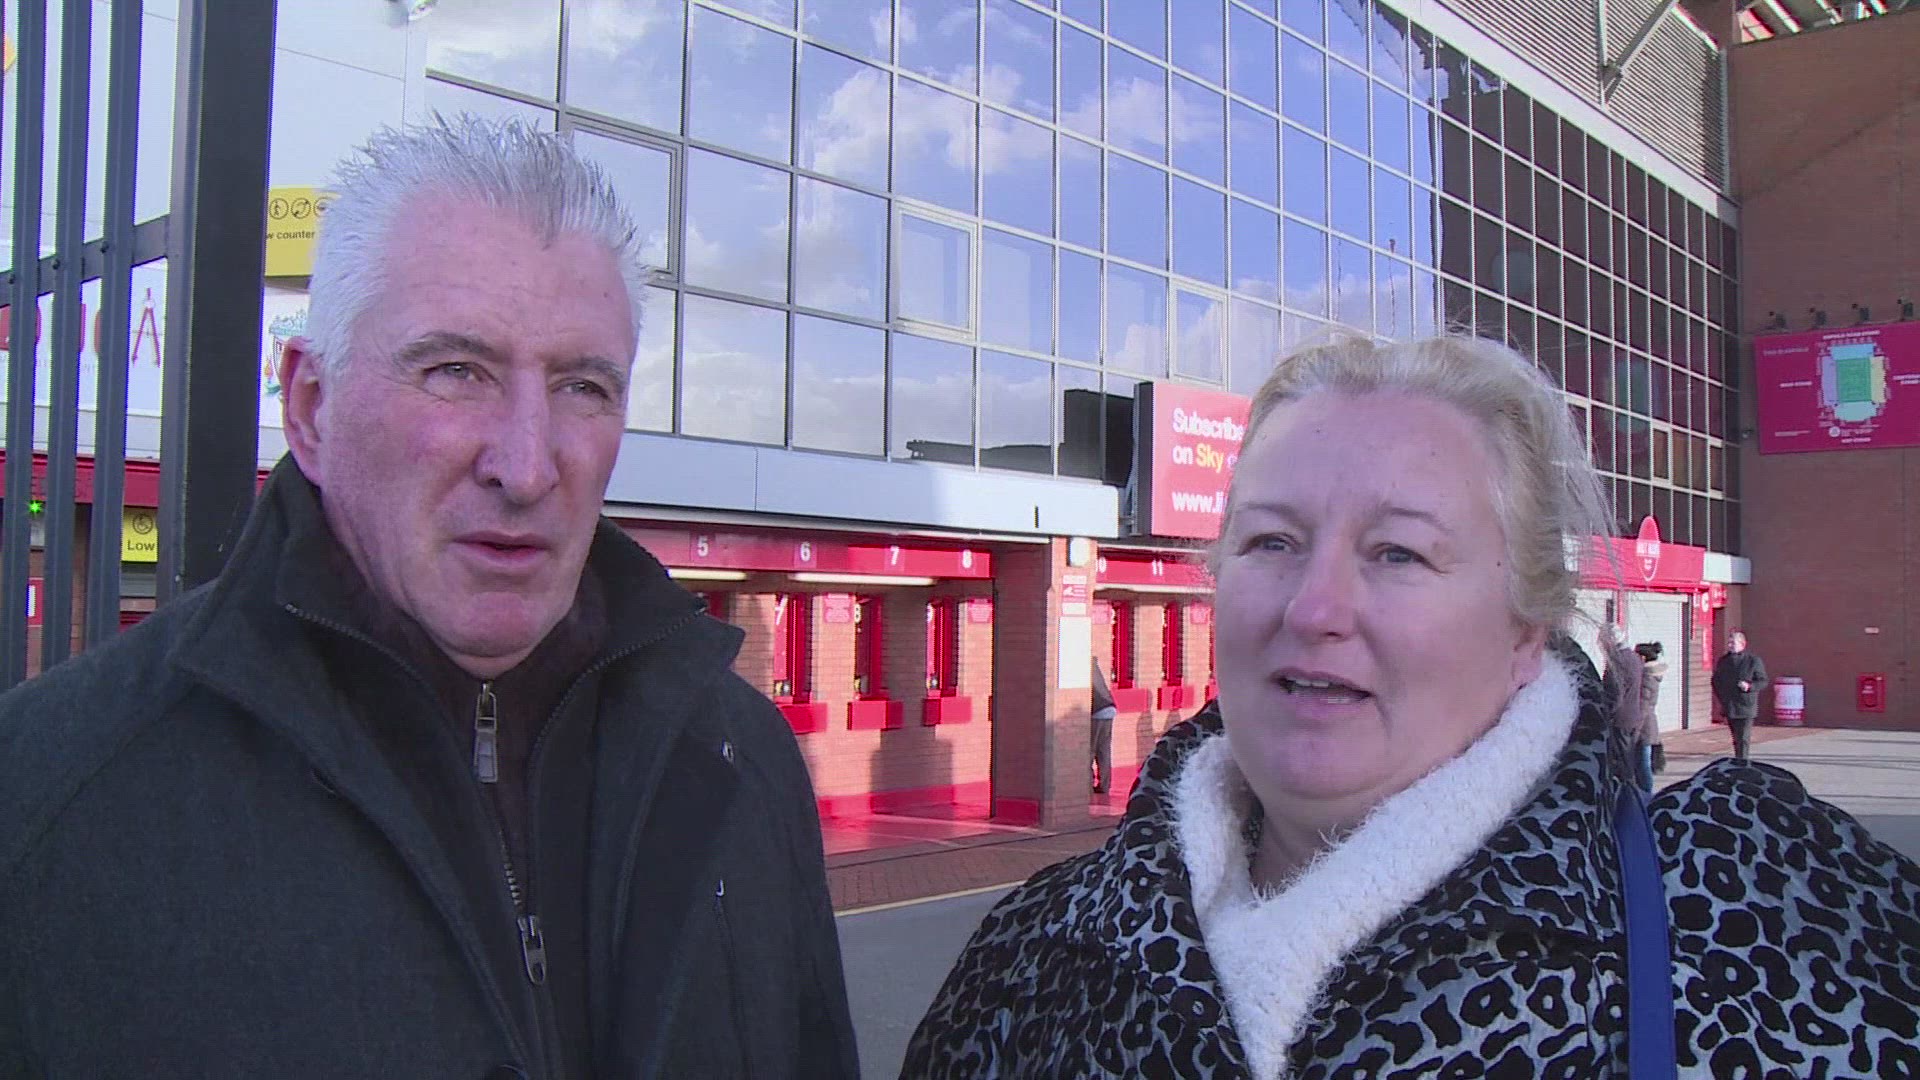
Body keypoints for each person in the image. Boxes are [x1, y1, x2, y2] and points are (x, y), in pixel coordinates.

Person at [0, 117, 858, 1078]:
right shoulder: (48, 799)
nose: (526, 466)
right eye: (456, 372)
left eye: (582, 386)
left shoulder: (744, 757)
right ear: (312, 407)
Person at [902, 335, 1920, 1078]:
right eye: (1271, 542)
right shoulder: (1035, 951)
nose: (1314, 608)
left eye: (1397, 553)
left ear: (1525, 631)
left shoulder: (1763, 912)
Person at [1712, 630, 1768, 761]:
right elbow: (1716, 680)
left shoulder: (1753, 661)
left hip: (1746, 706)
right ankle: (1738, 760)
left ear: (1742, 644)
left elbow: (1763, 681)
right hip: (1730, 705)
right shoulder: (1724, 661)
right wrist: (1722, 697)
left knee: (1743, 738)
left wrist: (1749, 686)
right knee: (1736, 737)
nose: (1730, 645)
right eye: (1729, 643)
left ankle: (1742, 761)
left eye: (1733, 643)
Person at [1633, 641, 1668, 791]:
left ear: (1642, 658)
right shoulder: (1652, 674)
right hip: (1649, 723)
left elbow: (1643, 704)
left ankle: (1647, 793)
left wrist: (1636, 729)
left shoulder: (1646, 676)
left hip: (1644, 725)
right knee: (1644, 762)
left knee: (1643, 764)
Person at [1091, 658, 1119, 793]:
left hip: (1097, 710)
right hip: (1109, 707)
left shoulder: (1083, 666)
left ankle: (1087, 784)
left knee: (1089, 750)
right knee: (1104, 750)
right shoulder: (1094, 666)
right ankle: (1105, 785)